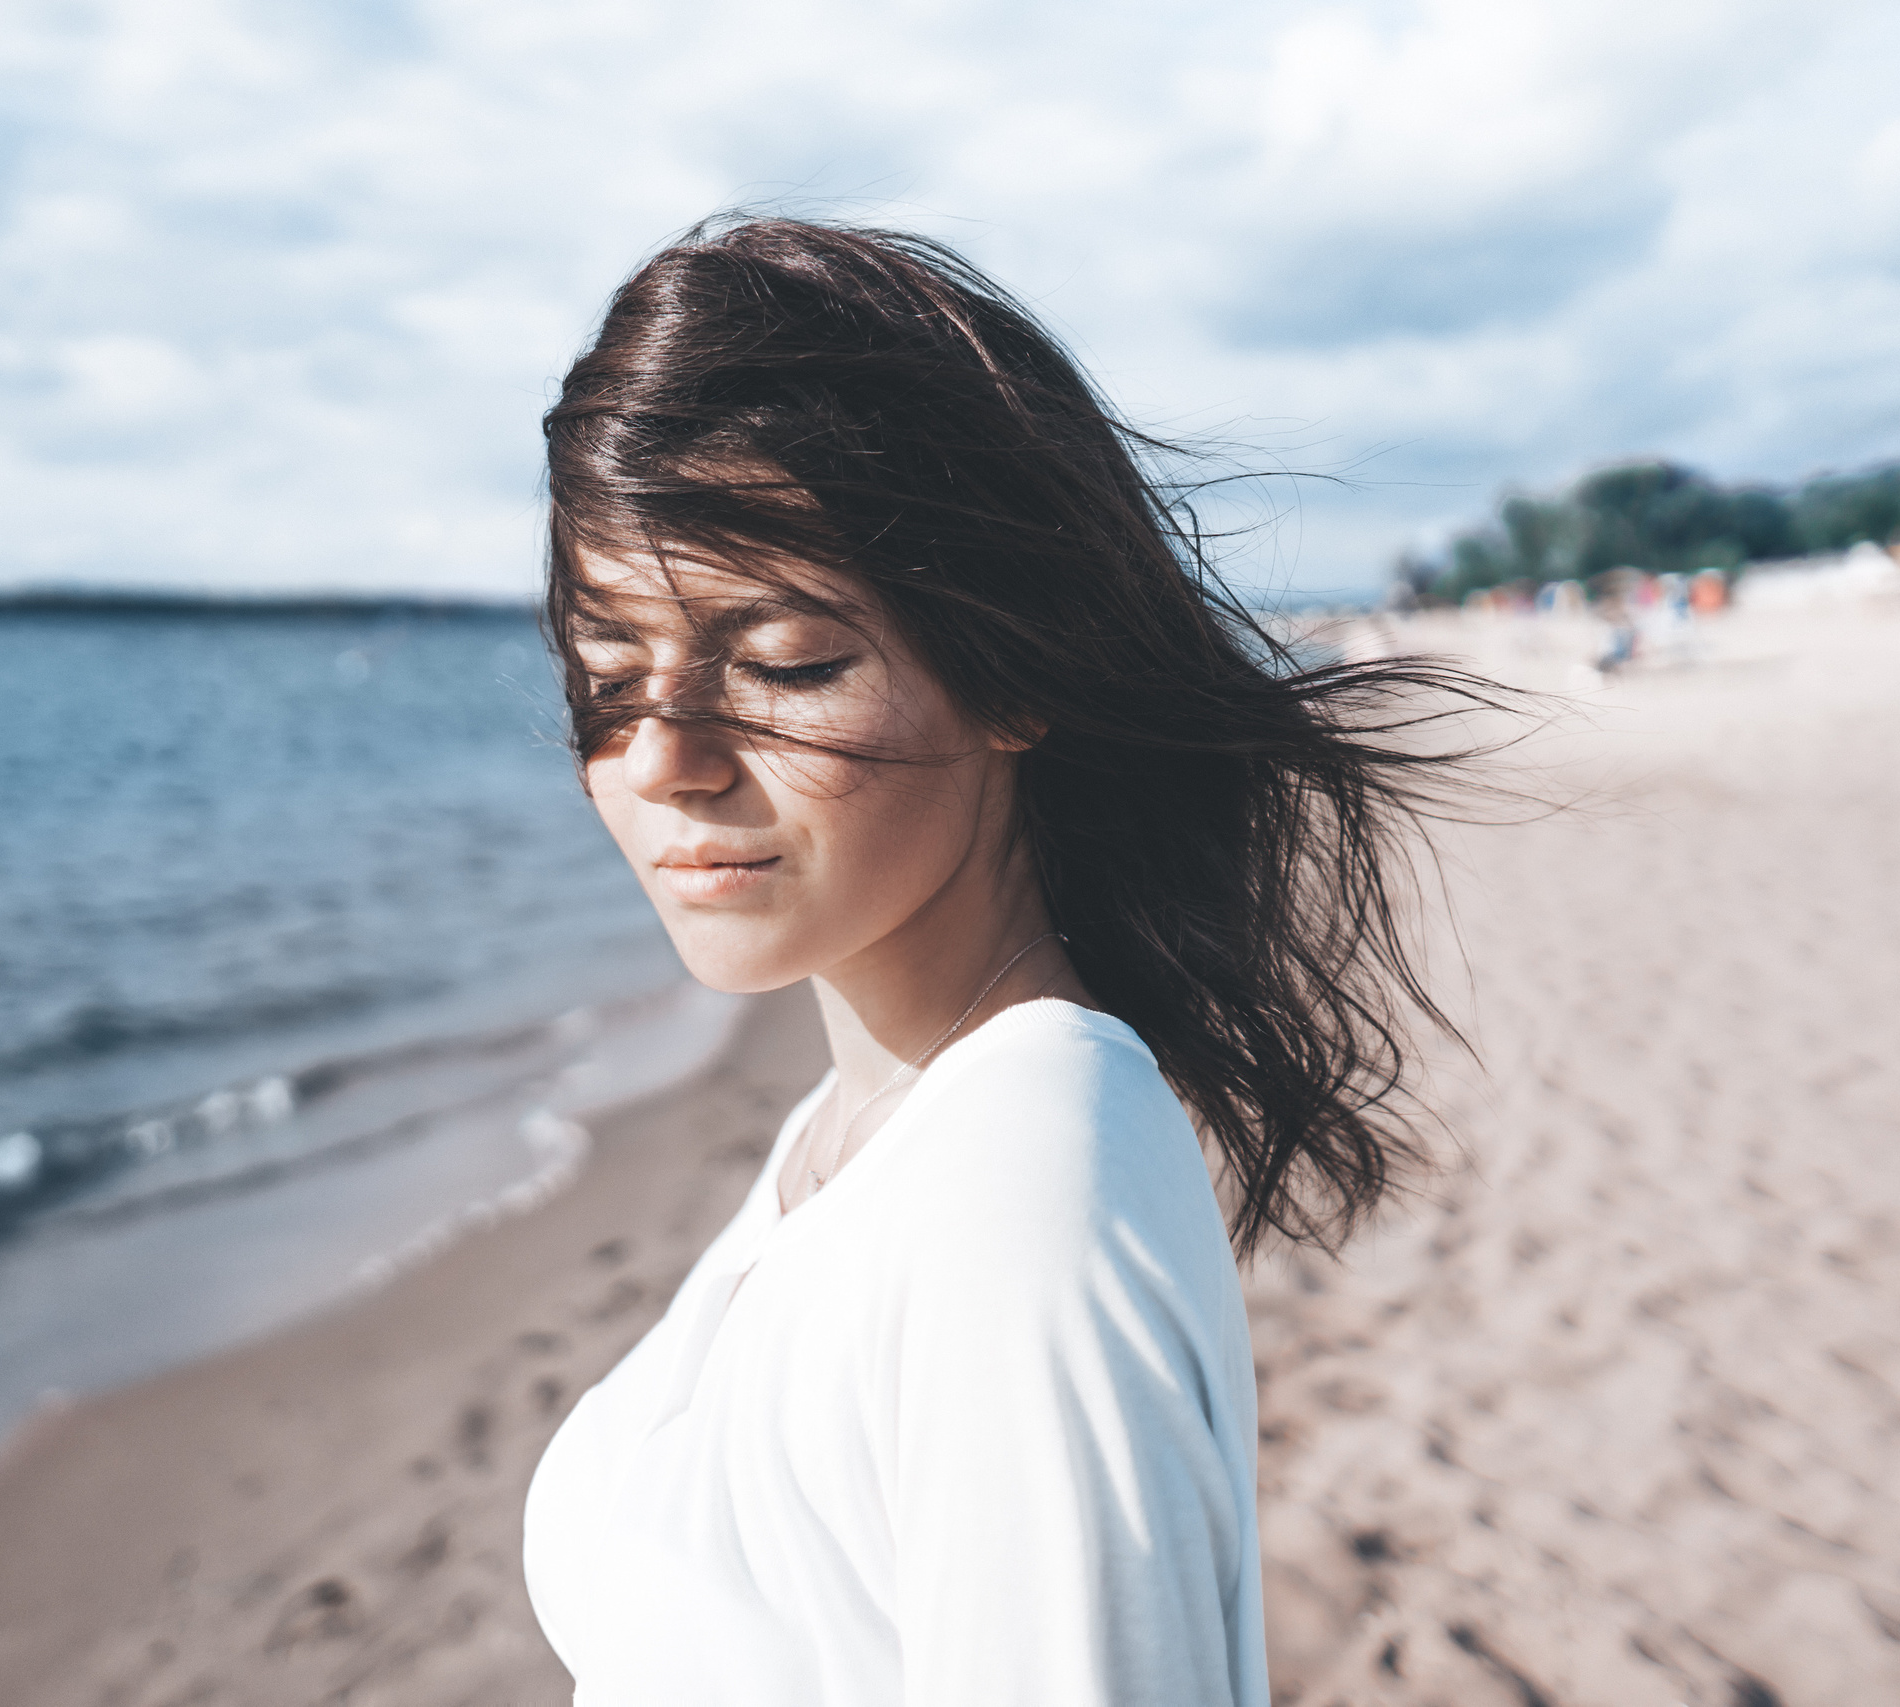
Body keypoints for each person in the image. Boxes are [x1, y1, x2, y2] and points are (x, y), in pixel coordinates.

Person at [521, 216, 1480, 1706]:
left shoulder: (1017, 1180)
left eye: (782, 664)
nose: (665, 758)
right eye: (609, 677)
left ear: (1017, 666)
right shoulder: (857, 1134)